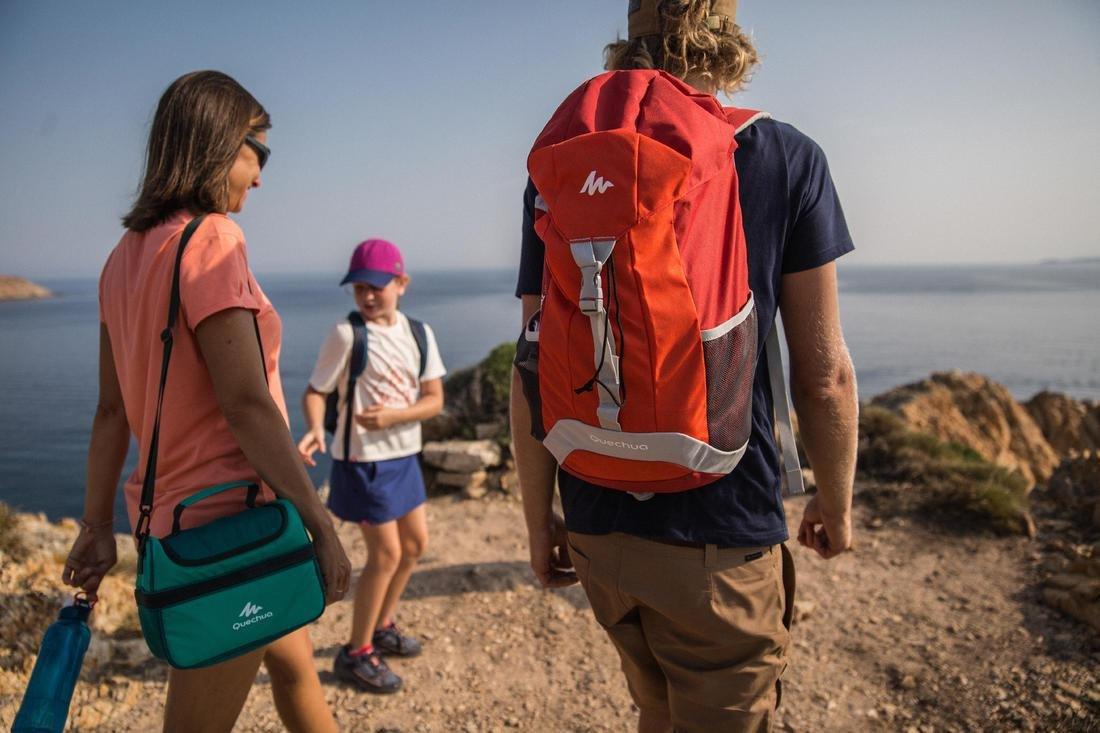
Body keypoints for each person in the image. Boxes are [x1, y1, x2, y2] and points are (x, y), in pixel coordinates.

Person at [510, 2, 858, 731]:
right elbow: (824, 373)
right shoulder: (786, 157)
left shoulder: (564, 164)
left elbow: (532, 358)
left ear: (629, 40)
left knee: (657, 706)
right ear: (729, 40)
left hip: (597, 514)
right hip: (721, 528)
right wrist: (835, 499)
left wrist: (538, 516)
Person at [61, 70, 351, 733]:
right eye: (259, 152)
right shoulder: (211, 239)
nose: (261, 174)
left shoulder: (120, 258)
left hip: (178, 518)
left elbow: (112, 413)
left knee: (295, 668)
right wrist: (320, 520)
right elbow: (247, 403)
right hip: (231, 527)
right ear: (220, 142)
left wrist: (95, 523)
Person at [298, 238, 445, 694]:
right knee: (386, 554)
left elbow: (434, 401)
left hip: (403, 456)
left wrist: (392, 417)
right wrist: (317, 429)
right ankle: (356, 652)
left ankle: (382, 623)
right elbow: (316, 391)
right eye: (359, 287)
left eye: (377, 286)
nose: (367, 296)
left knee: (415, 545)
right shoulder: (347, 334)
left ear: (401, 284)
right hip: (363, 462)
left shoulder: (419, 332)